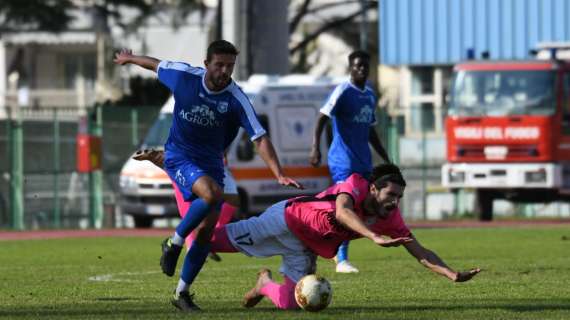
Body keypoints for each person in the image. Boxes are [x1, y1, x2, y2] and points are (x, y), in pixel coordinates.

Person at [114, 40, 303, 311]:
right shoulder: (184, 76)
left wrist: (279, 173)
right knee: (213, 194)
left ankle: (182, 294)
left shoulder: (236, 98)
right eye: (219, 65)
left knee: (205, 234)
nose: (225, 71)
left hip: (211, 163)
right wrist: (130, 60)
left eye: (230, 66)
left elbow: (259, 137)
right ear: (206, 64)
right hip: (179, 155)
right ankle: (173, 242)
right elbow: (156, 65)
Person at [199, 163, 481, 310]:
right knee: (207, 241)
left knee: (291, 304)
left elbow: (420, 251)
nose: (395, 202)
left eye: (399, 197)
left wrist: (450, 273)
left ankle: (264, 284)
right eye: (391, 194)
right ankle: (179, 234)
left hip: (306, 248)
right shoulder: (355, 184)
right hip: (285, 221)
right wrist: (373, 236)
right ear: (373, 189)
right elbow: (343, 212)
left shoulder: (390, 218)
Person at [309, 50, 391, 273]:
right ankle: (341, 258)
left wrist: (385, 157)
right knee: (349, 208)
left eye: (365, 65)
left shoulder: (370, 95)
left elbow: (370, 130)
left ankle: (323, 239)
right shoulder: (343, 91)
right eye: (357, 66)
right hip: (343, 162)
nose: (362, 69)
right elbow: (321, 118)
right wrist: (315, 147)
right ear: (350, 68)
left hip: (364, 162)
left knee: (361, 208)